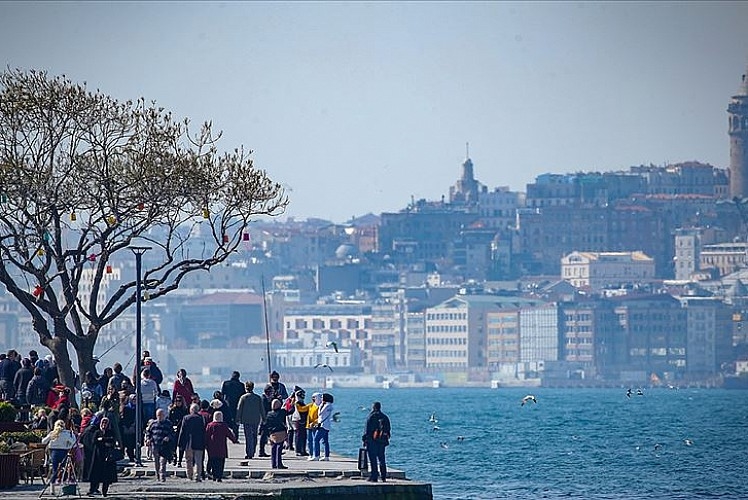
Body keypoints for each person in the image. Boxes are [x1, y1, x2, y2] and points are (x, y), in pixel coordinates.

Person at [86, 417, 118, 497]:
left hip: (107, 456)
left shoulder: (110, 432)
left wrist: (102, 439)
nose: (104, 425)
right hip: (98, 456)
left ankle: (104, 491)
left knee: (106, 476)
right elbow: (94, 441)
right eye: (102, 423)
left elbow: (112, 440)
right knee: (95, 474)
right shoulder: (97, 432)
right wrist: (103, 441)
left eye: (105, 423)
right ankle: (92, 489)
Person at [362, 401, 391, 482]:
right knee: (382, 459)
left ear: (373, 407)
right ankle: (383, 476)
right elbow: (388, 429)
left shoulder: (371, 417)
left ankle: (374, 476)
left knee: (373, 459)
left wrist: (364, 440)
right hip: (382, 441)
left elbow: (367, 430)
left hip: (372, 441)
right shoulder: (385, 417)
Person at [205, 410, 238, 481]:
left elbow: (206, 436)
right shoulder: (223, 425)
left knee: (213, 461)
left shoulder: (210, 425)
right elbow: (229, 434)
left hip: (211, 447)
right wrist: (234, 440)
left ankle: (214, 475)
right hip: (221, 447)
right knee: (220, 462)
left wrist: (205, 444)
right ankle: (219, 476)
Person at [236, 381, 265, 459]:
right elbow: (262, 409)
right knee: (254, 436)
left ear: (246, 388)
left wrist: (237, 419)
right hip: (255, 419)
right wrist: (264, 418)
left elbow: (239, 409)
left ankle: (249, 452)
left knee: (248, 437)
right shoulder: (258, 397)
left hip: (246, 420)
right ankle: (253, 451)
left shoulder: (243, 397)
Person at [178, 403, 207, 482]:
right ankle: (197, 476)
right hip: (199, 442)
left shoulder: (186, 418)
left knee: (188, 460)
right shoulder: (202, 418)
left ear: (191, 410)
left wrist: (180, 443)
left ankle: (190, 475)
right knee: (198, 460)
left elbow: (182, 431)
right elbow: (205, 431)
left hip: (189, 442)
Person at [42, 419, 77, 484]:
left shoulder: (52, 433)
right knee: (65, 468)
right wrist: (68, 444)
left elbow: (43, 441)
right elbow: (73, 443)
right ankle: (63, 482)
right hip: (64, 452)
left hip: (53, 452)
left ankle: (52, 487)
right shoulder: (67, 434)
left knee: (55, 470)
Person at [146, 408, 176, 482]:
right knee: (156, 461)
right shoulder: (153, 424)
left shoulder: (168, 423)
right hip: (155, 445)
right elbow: (148, 433)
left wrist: (168, 437)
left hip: (164, 446)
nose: (160, 417)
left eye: (161, 415)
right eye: (158, 415)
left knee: (163, 462)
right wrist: (148, 439)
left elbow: (172, 433)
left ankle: (162, 476)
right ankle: (157, 475)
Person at [264, 399, 289, 469]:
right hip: (280, 432)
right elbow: (290, 411)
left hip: (272, 433)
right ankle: (279, 464)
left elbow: (266, 424)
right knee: (279, 448)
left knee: (273, 448)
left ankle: (273, 464)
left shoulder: (269, 414)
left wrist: (268, 434)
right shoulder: (282, 412)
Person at [220, 371, 245, 435]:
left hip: (228, 404)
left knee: (227, 419)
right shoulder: (241, 385)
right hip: (237, 405)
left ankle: (228, 433)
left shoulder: (226, 383)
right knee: (236, 421)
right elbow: (243, 396)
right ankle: (235, 435)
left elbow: (222, 394)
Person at [313, 392, 334, 461]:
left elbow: (321, 413)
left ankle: (317, 455)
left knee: (316, 439)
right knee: (325, 441)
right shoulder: (324, 405)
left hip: (324, 425)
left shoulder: (328, 405)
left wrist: (321, 405)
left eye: (322, 397)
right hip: (323, 424)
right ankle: (326, 456)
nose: (321, 399)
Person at [168, 394, 188, 466]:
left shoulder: (185, 410)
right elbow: (170, 419)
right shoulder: (172, 410)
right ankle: (174, 458)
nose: (178, 402)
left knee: (181, 446)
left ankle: (179, 460)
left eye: (179, 401)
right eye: (176, 401)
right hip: (174, 429)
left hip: (182, 430)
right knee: (173, 445)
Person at [292, 388, 310, 456]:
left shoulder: (302, 403)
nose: (303, 396)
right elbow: (301, 410)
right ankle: (298, 450)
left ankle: (303, 450)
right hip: (298, 421)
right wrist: (310, 406)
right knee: (298, 436)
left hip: (304, 421)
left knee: (304, 436)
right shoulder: (297, 403)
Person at [258, 384, 274, 457]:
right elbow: (266, 409)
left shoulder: (265, 398)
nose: (272, 393)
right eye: (271, 392)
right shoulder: (264, 398)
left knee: (266, 435)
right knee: (264, 435)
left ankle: (264, 450)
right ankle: (261, 451)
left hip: (267, 419)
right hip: (265, 419)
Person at [306, 392, 321, 461]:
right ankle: (311, 454)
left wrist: (314, 422)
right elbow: (302, 409)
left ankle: (316, 455)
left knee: (316, 440)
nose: (313, 399)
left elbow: (320, 417)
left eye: (314, 397)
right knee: (309, 441)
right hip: (309, 426)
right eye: (312, 397)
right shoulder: (311, 405)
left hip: (315, 426)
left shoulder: (320, 407)